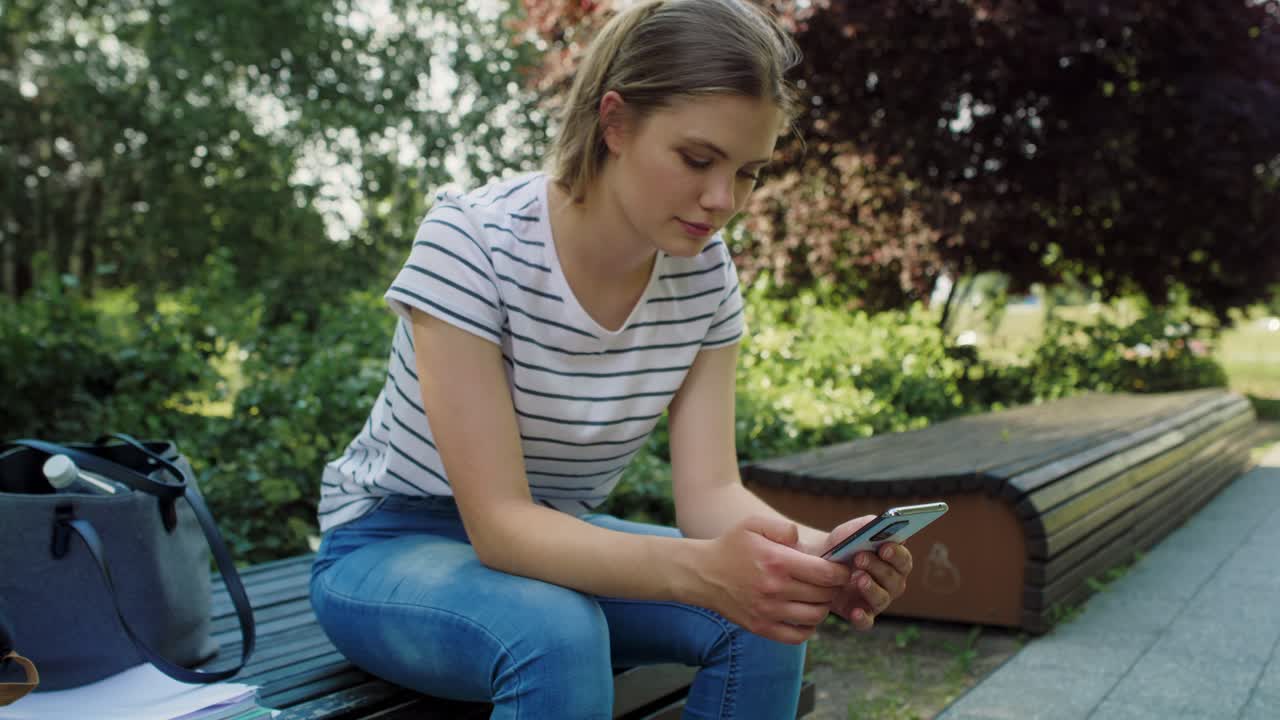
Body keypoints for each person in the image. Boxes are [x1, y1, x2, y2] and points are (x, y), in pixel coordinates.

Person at [309, 1, 915, 717]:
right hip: (388, 545)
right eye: (697, 159)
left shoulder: (705, 276)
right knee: (555, 634)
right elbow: (501, 525)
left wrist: (818, 556)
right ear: (616, 122)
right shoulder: (470, 243)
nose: (723, 200)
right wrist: (700, 573)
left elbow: (711, 496)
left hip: (555, 535)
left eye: (749, 172)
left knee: (767, 612)